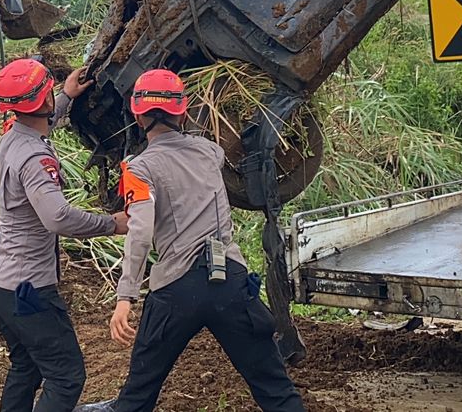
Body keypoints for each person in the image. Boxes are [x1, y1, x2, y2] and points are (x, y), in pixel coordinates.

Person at [78, 69, 303, 412]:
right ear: (182, 111)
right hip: (230, 283)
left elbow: (140, 232)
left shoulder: (139, 169)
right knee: (275, 389)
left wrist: (126, 297)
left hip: (176, 291)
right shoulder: (211, 153)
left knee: (138, 395)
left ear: (138, 116)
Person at [0, 58, 129, 412]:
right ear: (41, 102)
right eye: (49, 90)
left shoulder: (12, 137)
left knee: (27, 366)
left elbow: (38, 121)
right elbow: (58, 218)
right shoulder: (35, 159)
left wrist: (64, 96)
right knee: (66, 375)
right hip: (28, 290)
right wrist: (113, 223)